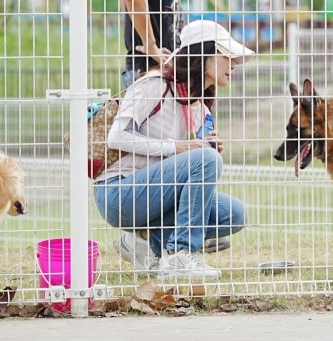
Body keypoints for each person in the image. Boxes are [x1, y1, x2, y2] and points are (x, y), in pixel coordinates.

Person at [93, 20, 251, 279]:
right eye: (226, 55)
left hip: (150, 194)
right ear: (203, 55)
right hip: (117, 192)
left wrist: (206, 147)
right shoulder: (154, 84)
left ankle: (148, 244)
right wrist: (177, 148)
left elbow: (192, 163)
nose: (233, 64)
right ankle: (179, 254)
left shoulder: (197, 104)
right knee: (205, 160)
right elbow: (116, 137)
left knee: (234, 214)